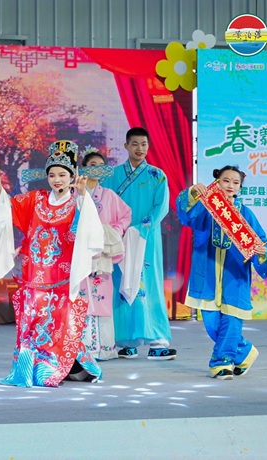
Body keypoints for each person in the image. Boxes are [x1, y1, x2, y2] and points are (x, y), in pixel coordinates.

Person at [0, 140, 104, 387]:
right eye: (52, 175)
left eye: (62, 175)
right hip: (34, 276)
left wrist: (82, 196)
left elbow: (87, 229)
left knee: (59, 325)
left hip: (62, 278)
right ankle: (31, 368)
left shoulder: (78, 202)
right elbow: (7, 210)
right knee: (33, 323)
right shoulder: (36, 200)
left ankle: (54, 368)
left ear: (72, 176)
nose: (57, 180)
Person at [176, 166, 267, 380]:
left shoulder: (245, 213)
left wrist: (261, 253)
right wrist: (192, 193)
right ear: (217, 182)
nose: (230, 186)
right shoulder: (206, 207)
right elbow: (187, 218)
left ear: (240, 188)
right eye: (226, 180)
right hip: (207, 272)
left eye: (235, 183)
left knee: (232, 319)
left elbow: (261, 241)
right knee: (211, 323)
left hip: (234, 275)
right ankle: (244, 352)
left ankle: (222, 362)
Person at [101, 127, 176, 360]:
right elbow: (104, 205)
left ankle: (157, 338)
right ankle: (125, 341)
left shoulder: (157, 175)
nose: (140, 148)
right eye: (135, 144)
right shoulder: (112, 176)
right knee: (121, 282)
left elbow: (161, 206)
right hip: (119, 238)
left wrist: (141, 228)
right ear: (126, 146)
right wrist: (117, 230)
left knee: (148, 283)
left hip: (146, 238)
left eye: (144, 144)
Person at [79, 150, 132, 360]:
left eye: (100, 165)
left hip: (101, 254)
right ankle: (82, 349)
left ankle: (104, 348)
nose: (96, 169)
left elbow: (126, 215)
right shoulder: (76, 193)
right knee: (81, 297)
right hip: (80, 252)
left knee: (102, 297)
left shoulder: (109, 195)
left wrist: (114, 231)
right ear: (84, 168)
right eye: (92, 164)